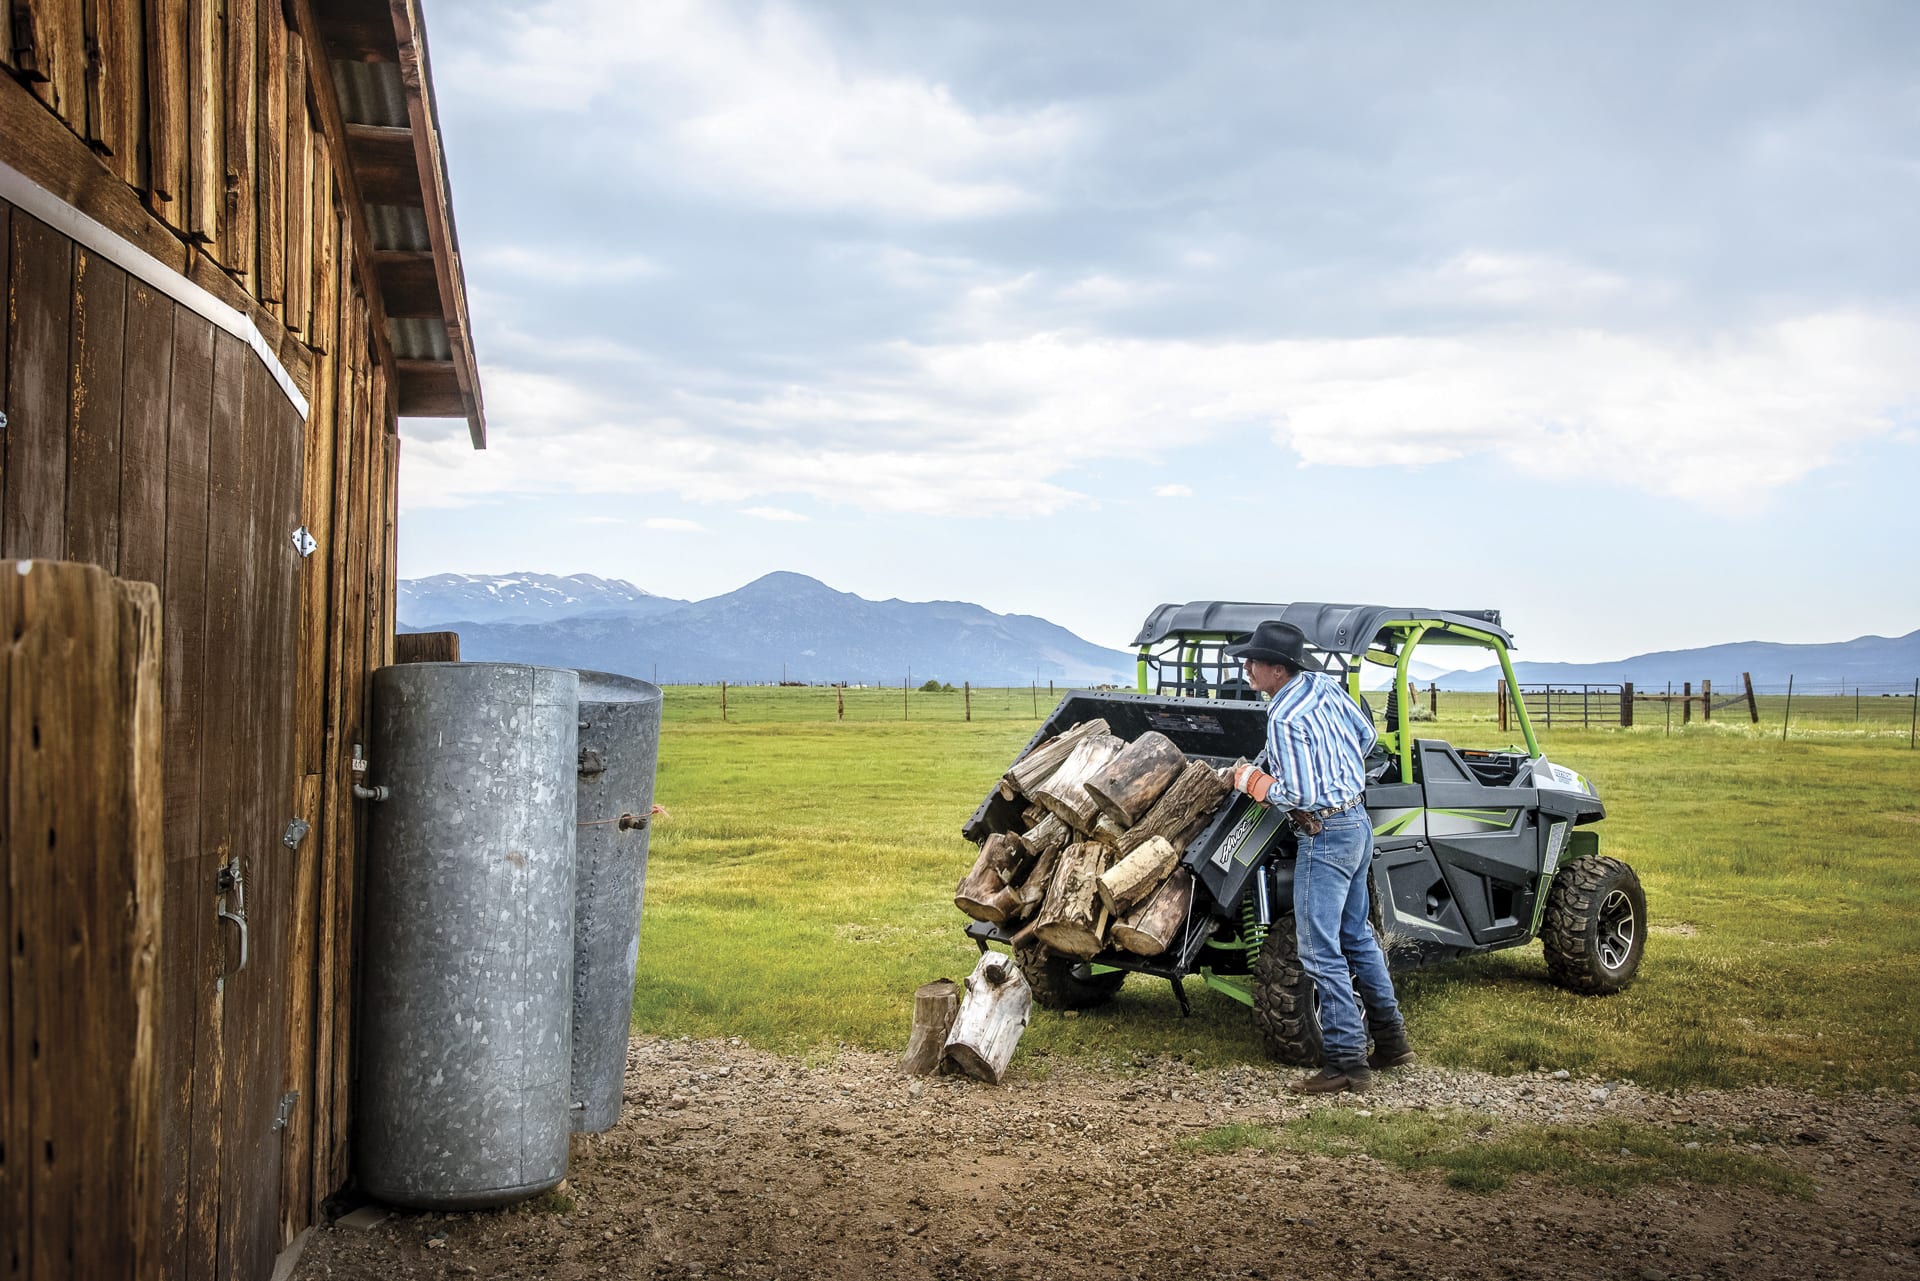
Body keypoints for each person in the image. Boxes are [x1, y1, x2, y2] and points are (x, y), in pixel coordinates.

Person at [1223, 620, 1414, 1095]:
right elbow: (1367, 739)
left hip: (1323, 831)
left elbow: (1300, 794)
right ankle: (1391, 1041)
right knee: (1358, 936)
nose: (1246, 668)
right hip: (1356, 822)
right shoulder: (1323, 686)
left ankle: (1348, 1061)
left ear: (1277, 669)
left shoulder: (1283, 716)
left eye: (1254, 661)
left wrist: (1251, 781)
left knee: (1319, 948)